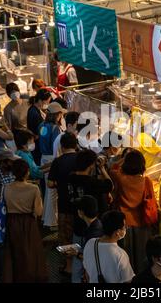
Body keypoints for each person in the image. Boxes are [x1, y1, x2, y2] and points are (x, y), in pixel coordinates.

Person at [68, 149, 113, 277]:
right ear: (91, 165)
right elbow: (110, 185)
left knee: (77, 259)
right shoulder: (92, 182)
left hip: (76, 223)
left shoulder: (71, 177)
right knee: (93, 259)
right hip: (92, 226)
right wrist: (102, 168)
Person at [2, 159, 47, 283]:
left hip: (11, 222)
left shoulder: (6, 188)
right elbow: (38, 212)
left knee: (14, 253)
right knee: (30, 253)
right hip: (28, 223)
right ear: (27, 172)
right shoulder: (34, 189)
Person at [110, 149, 154, 273]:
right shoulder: (147, 181)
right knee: (142, 256)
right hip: (142, 222)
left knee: (126, 256)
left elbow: (112, 168)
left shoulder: (121, 178)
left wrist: (124, 159)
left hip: (124, 224)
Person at [47, 132, 78, 276]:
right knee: (79, 234)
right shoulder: (81, 159)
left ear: (62, 145)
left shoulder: (58, 161)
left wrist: (60, 183)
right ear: (76, 144)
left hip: (64, 204)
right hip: (81, 206)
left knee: (65, 236)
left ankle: (68, 266)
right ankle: (81, 264)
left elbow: (50, 184)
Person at [83, 210, 135, 283]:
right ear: (117, 232)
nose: (126, 228)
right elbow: (128, 281)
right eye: (124, 226)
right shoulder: (120, 255)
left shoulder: (90, 243)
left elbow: (87, 274)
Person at [64, 195, 104, 283]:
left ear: (81, 213)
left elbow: (91, 257)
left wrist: (76, 253)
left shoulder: (92, 234)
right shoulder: (96, 224)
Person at [39, 102, 66, 229]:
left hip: (43, 157)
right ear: (58, 114)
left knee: (47, 190)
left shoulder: (42, 125)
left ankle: (46, 217)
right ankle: (51, 222)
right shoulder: (55, 128)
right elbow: (56, 147)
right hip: (52, 158)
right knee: (52, 192)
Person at [27, 89, 52, 164]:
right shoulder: (34, 113)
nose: (48, 104)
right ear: (41, 100)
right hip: (37, 145)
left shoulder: (34, 109)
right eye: (47, 102)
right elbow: (41, 132)